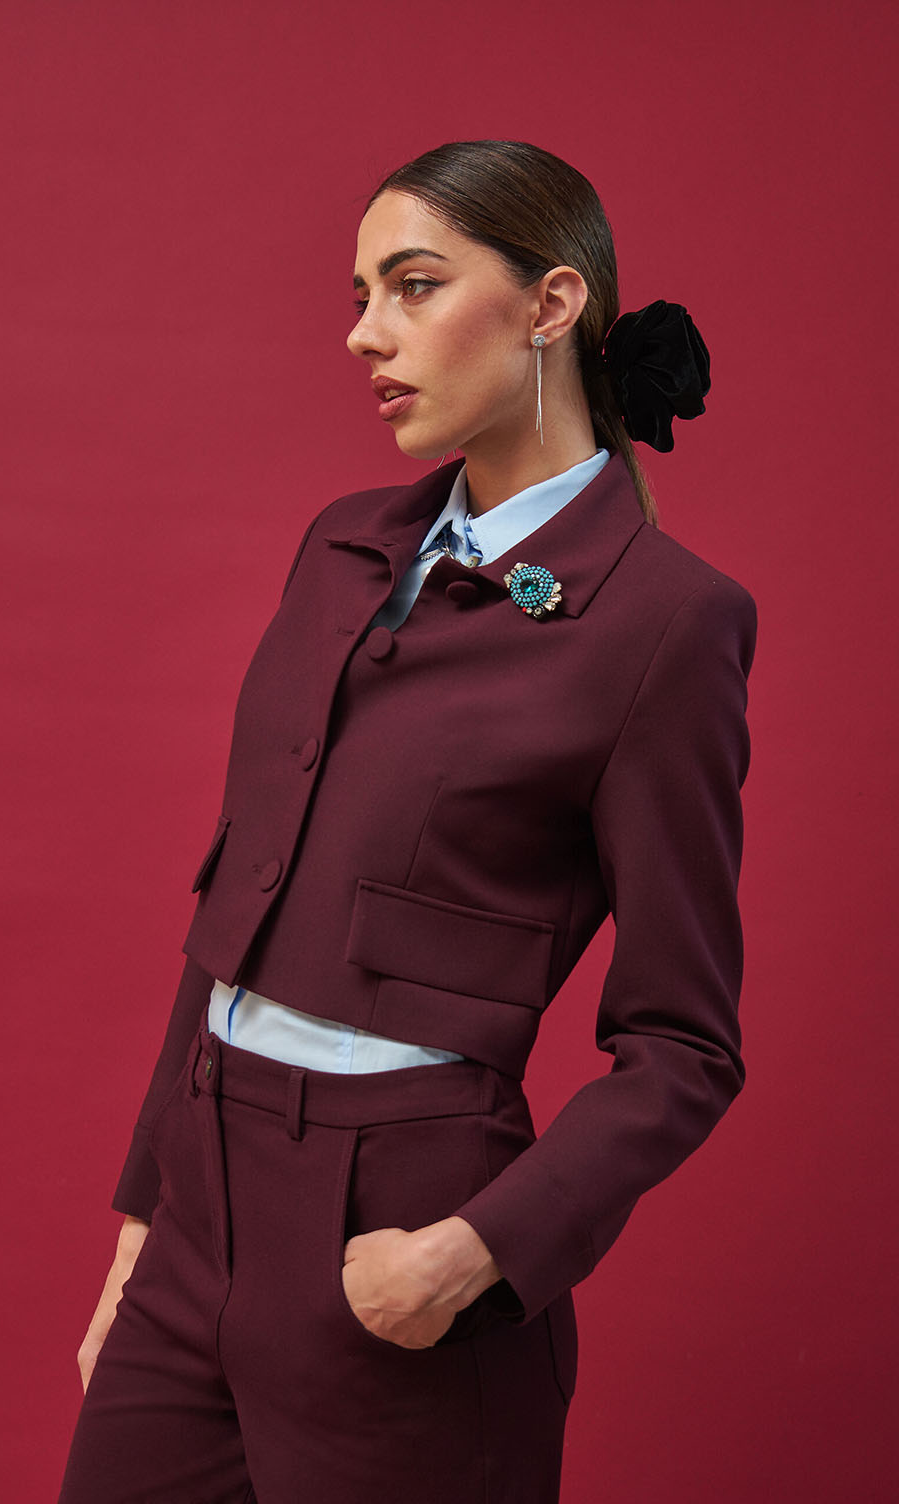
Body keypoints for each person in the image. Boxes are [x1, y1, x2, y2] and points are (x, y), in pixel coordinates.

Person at [57, 139, 757, 1504]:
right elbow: (234, 913)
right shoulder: (340, 548)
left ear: (552, 304)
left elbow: (685, 1047)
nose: (365, 333)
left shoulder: (668, 624)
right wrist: (145, 1222)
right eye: (362, 293)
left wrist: (474, 1253)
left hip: (401, 1237)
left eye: (414, 286)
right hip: (199, 1215)